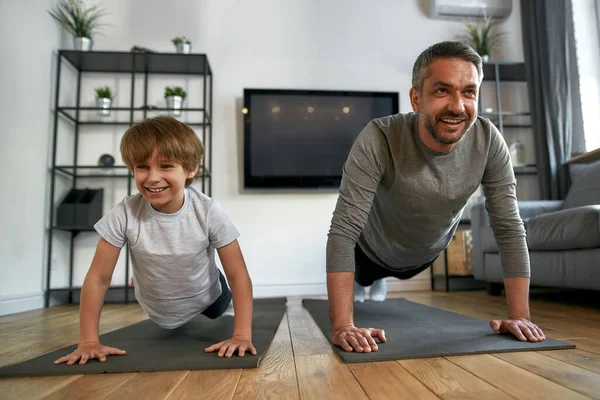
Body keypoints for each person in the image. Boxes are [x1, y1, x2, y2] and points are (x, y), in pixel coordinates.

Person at [325, 41, 547, 353]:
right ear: (416, 98)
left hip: (427, 252)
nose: (458, 106)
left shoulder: (488, 142)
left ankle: (380, 281)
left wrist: (520, 316)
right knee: (363, 278)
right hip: (370, 252)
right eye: (443, 90)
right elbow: (343, 232)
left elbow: (509, 228)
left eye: (469, 92)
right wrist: (343, 325)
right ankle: (373, 281)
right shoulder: (379, 137)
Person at [54, 116, 255, 365]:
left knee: (218, 303)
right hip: (157, 306)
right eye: (142, 167)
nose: (152, 177)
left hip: (208, 296)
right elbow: (98, 277)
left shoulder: (208, 210)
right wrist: (88, 342)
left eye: (166, 166)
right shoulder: (125, 212)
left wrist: (242, 335)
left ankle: (209, 276)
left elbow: (239, 275)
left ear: (191, 169)